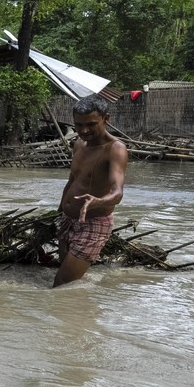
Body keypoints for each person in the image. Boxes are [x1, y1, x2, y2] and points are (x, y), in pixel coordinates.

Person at [53, 95, 128, 287]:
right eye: (79, 125)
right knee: (68, 283)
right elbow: (72, 180)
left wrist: (98, 201)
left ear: (106, 119)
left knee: (61, 282)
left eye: (91, 124)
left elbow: (117, 192)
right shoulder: (79, 143)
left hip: (93, 224)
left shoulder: (115, 149)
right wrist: (60, 210)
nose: (84, 130)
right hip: (68, 220)